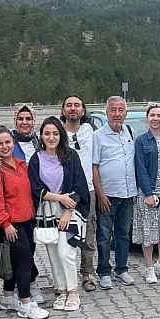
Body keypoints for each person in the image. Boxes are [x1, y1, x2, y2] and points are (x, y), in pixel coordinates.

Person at [0, 126, 49, 319]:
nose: (5, 146)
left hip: (28, 220)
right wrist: (5, 224)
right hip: (10, 224)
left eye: (8, 142)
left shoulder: (21, 164)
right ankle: (25, 304)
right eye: (0, 143)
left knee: (14, 262)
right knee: (24, 262)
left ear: (13, 142)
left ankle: (7, 298)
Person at [29, 117, 90, 311]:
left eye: (55, 133)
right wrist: (59, 198)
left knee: (66, 252)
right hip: (47, 210)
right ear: (41, 136)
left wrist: (68, 210)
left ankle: (73, 291)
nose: (51, 137)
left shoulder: (71, 156)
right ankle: (61, 290)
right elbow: (35, 189)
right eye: (47, 133)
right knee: (54, 254)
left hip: (70, 209)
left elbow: (80, 185)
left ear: (61, 135)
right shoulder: (36, 158)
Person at [92, 96, 136, 289]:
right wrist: (100, 195)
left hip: (128, 193)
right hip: (108, 195)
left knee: (123, 234)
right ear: (107, 112)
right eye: (113, 110)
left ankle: (121, 269)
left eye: (120, 110)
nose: (117, 114)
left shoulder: (130, 132)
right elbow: (94, 166)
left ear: (125, 112)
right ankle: (103, 272)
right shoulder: (98, 136)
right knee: (104, 236)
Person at [133, 104, 160, 283]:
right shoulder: (141, 141)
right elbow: (140, 168)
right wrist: (148, 193)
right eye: (152, 115)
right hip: (149, 191)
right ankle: (149, 267)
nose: (155, 118)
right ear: (147, 118)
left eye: (159, 115)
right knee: (149, 231)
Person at [62, 95, 97, 292]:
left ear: (83, 110)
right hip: (64, 192)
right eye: (69, 105)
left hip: (88, 190)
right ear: (63, 110)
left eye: (77, 105)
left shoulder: (91, 131)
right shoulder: (57, 133)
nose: (73, 108)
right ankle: (64, 278)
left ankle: (86, 274)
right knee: (64, 236)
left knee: (88, 235)